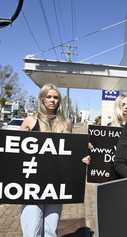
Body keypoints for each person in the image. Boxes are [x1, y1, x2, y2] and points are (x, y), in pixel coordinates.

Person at [20, 83, 72, 237]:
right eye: (48, 97)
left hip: (56, 184)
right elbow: (15, 152)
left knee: (50, 230)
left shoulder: (66, 123)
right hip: (31, 185)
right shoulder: (30, 121)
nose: (52, 100)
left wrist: (82, 157)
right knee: (32, 230)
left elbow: (70, 153)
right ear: (42, 99)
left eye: (56, 97)